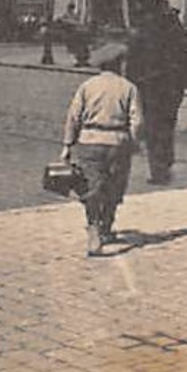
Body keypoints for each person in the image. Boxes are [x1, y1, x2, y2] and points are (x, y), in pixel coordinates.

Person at [61, 44, 145, 256]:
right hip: (118, 143)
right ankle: (106, 227)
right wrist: (133, 143)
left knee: (92, 187)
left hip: (90, 142)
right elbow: (137, 121)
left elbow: (73, 117)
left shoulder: (87, 86)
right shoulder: (129, 88)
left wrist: (68, 144)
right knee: (114, 187)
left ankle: (93, 228)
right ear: (119, 65)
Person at [127, 0, 187, 186]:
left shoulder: (145, 32)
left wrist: (133, 82)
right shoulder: (178, 31)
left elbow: (133, 61)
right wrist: (182, 78)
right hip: (173, 87)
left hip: (151, 86)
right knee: (167, 125)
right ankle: (166, 163)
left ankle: (159, 170)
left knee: (153, 128)